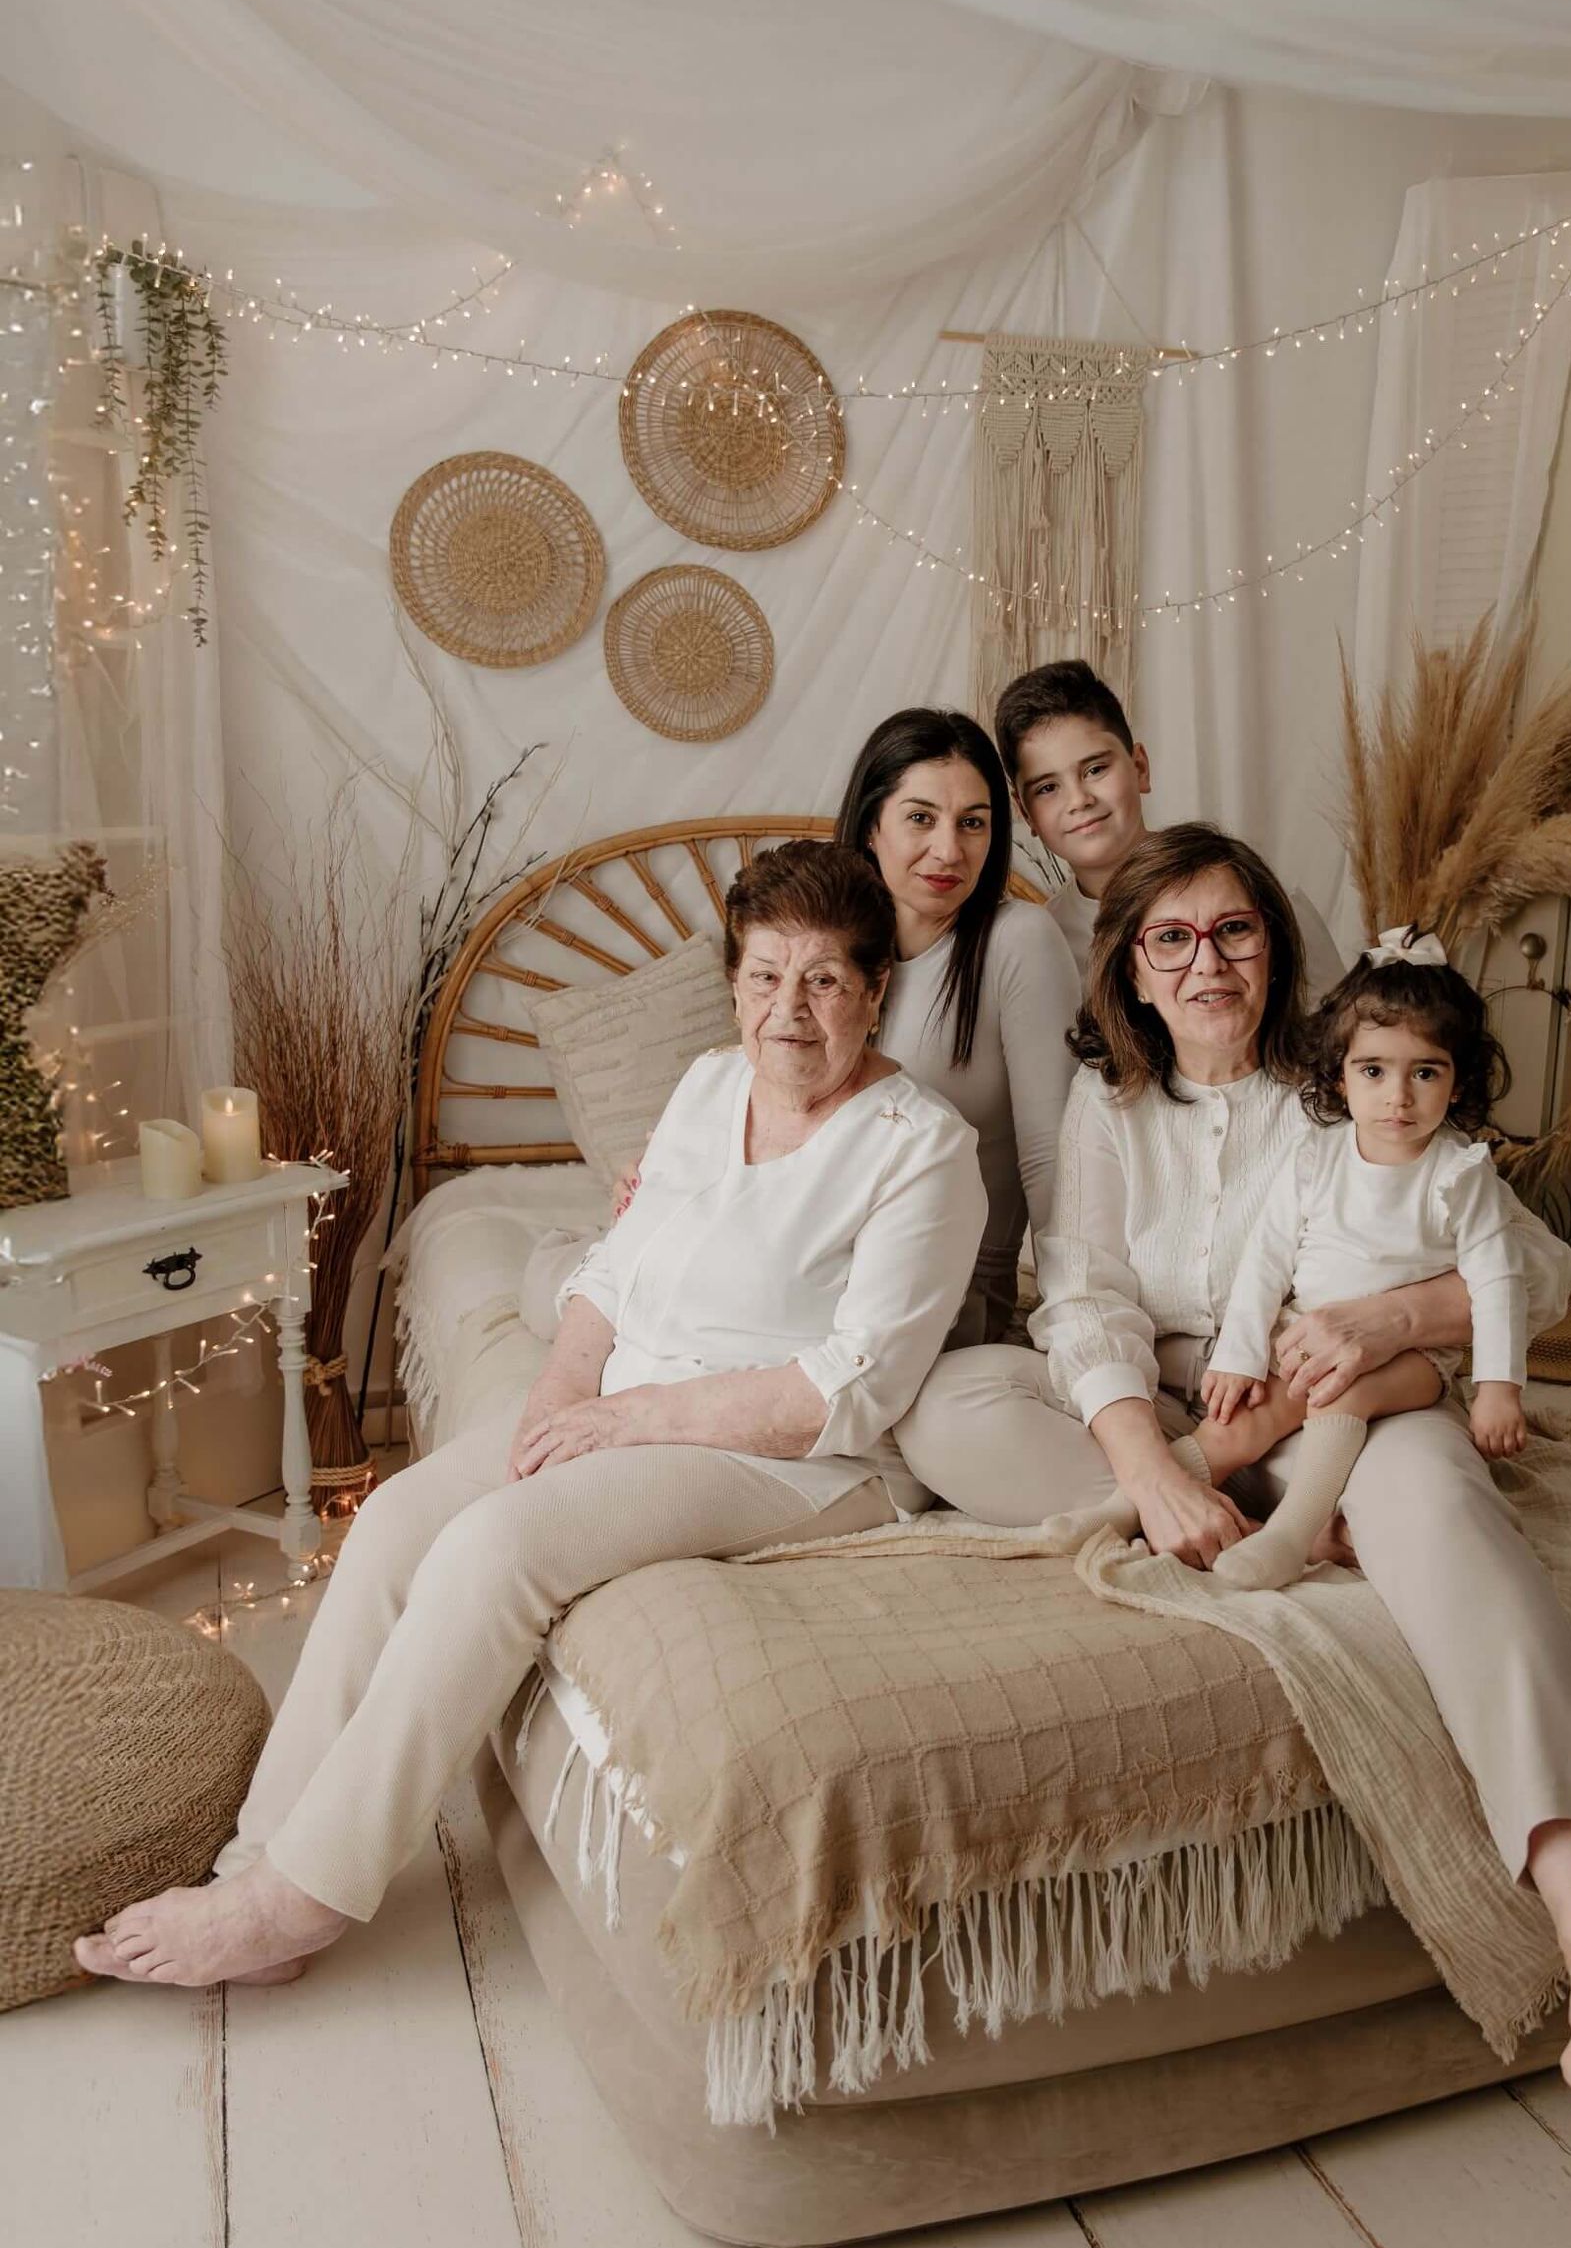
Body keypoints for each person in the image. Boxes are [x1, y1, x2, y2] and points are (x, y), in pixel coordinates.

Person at [76, 841, 987, 1993]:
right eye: (764, 977)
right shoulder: (711, 1087)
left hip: (802, 1454)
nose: (788, 1011)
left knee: (498, 1548)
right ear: (733, 983)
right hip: (635, 1395)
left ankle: (300, 1901)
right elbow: (611, 1272)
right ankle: (259, 1858)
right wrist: (559, 1396)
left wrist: (640, 1418)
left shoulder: (923, 1151)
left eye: (822, 981)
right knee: (404, 1515)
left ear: (875, 991)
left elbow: (854, 1386)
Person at [896, 823, 1571, 2114]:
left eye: (1235, 931)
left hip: (1350, 1402)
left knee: (1448, 1519)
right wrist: (1151, 1463)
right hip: (1179, 1401)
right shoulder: (1108, 1108)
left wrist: (1391, 1328)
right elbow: (1083, 1296)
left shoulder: (1360, 1081)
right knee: (950, 1406)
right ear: (1134, 970)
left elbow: (1533, 1272)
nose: (1206, 962)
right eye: (1172, 939)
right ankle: (1223, 1497)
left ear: (1274, 949)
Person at [1204, 924, 1533, 1592]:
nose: (1399, 1097)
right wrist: (1239, 1353)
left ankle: (1291, 1536)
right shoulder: (1315, 1159)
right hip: (1309, 1333)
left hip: (1415, 1363)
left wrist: (1500, 1388)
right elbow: (1264, 1262)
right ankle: (1120, 1506)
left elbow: (1500, 1284)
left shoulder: (1461, 1175)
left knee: (1341, 1390)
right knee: (1246, 1420)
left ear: (1459, 1081)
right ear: (1340, 1075)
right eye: (1374, 1070)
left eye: (1426, 1072)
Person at [836, 707, 1080, 1343]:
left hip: (947, 1290)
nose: (949, 850)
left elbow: (1052, 1152)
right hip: (819, 1262)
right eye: (921, 817)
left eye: (973, 823)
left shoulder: (1018, 941)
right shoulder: (826, 950)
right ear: (871, 827)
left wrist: (1078, 1318)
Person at [994, 656, 1346, 1002]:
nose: (1079, 799)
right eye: (1047, 788)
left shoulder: (1249, 893)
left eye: (1096, 769)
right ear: (1026, 813)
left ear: (1140, 768)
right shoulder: (1042, 944)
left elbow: (1341, 1035)